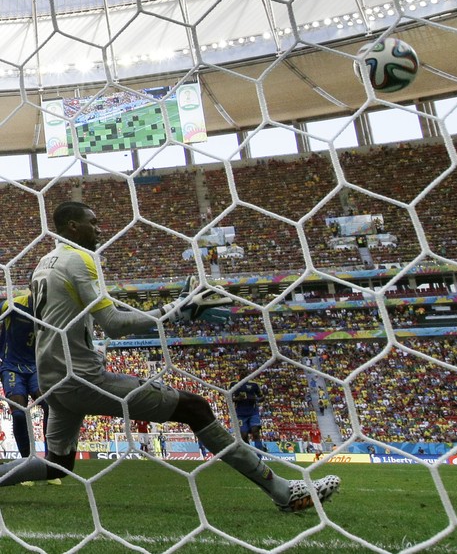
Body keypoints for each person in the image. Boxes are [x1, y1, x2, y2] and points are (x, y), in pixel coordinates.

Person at [0, 201, 340, 513]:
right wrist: (175, 310)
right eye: (93, 222)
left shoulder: (44, 262)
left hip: (54, 380)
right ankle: (284, 492)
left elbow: (91, 316)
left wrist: (170, 309)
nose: (100, 229)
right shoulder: (81, 259)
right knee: (195, 407)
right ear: (72, 227)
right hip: (83, 379)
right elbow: (114, 325)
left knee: (57, 462)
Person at [0, 291, 61, 487]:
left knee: (50, 407)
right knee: (19, 414)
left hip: (36, 367)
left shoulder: (51, 309)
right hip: (11, 366)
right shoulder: (14, 305)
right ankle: (26, 467)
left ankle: (49, 464)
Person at [229, 369, 266, 454]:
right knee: (244, 435)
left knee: (255, 432)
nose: (243, 374)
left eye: (245, 373)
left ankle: (259, 455)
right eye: (242, 373)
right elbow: (228, 398)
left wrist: (256, 399)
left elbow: (262, 398)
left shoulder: (254, 385)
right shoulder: (234, 385)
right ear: (239, 375)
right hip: (240, 414)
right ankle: (249, 454)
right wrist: (237, 398)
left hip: (253, 412)